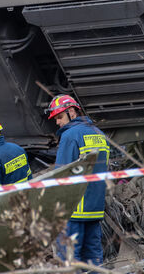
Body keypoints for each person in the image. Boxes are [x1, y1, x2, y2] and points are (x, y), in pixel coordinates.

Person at [48, 94, 109, 265]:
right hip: (95, 209)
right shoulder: (99, 134)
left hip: (72, 211)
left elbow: (61, 174)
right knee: (93, 262)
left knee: (69, 263)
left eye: (59, 117)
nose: (57, 122)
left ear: (72, 112)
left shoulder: (70, 136)